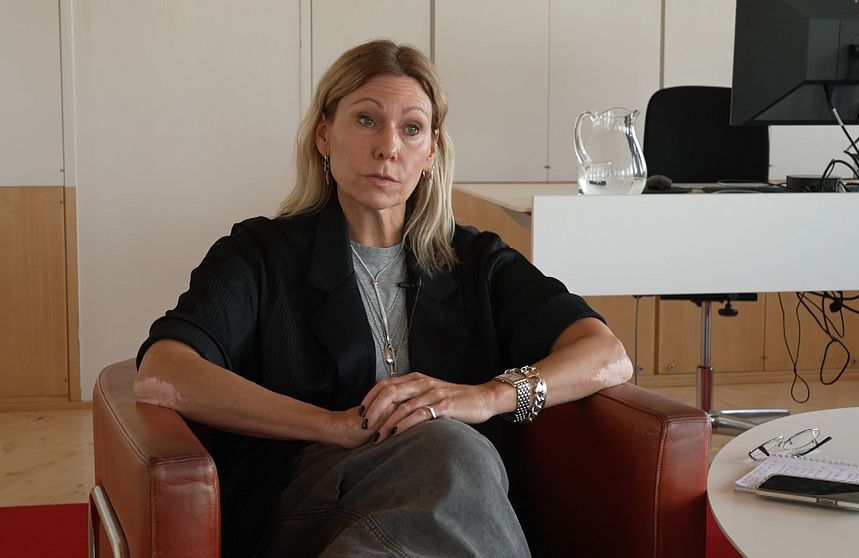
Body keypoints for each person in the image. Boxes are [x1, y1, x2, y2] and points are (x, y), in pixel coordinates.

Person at [134, 39, 632, 557]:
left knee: (448, 460)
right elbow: (163, 371)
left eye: (411, 128)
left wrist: (487, 397)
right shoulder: (260, 252)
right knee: (452, 448)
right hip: (304, 496)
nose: (389, 147)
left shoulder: (477, 260)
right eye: (367, 120)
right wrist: (333, 425)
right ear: (324, 135)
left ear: (431, 150)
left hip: (447, 497)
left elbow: (606, 354)